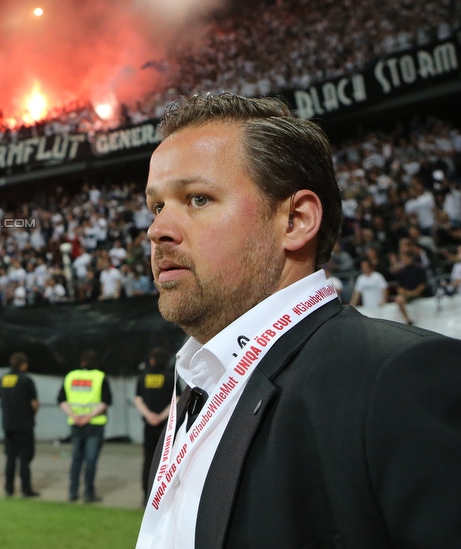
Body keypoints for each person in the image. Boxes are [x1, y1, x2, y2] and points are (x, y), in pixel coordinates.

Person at [134, 93, 461, 549]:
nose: (157, 230)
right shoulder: (195, 385)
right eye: (156, 206)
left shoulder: (399, 379)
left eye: (198, 198)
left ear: (295, 221)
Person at [58, 349, 111, 503]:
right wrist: (88, 417)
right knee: (91, 459)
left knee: (76, 459)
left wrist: (74, 416)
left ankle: (73, 492)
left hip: (75, 424)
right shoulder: (100, 377)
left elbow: (62, 400)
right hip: (94, 425)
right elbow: (105, 402)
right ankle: (88, 493)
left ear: (82, 362)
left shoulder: (71, 376)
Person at [133, 347, 173, 505]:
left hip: (149, 425)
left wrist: (149, 416)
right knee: (166, 460)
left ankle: (146, 495)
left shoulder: (143, 377)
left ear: (152, 360)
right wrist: (161, 416)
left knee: (148, 460)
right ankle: (162, 497)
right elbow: (176, 399)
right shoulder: (171, 378)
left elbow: (138, 399)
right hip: (166, 425)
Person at [0, 351, 39, 497]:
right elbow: (34, 403)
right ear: (23, 365)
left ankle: (9, 488)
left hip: (8, 424)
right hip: (24, 425)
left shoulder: (3, 379)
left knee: (10, 457)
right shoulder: (26, 380)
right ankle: (26, 489)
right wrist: (31, 415)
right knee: (25, 458)